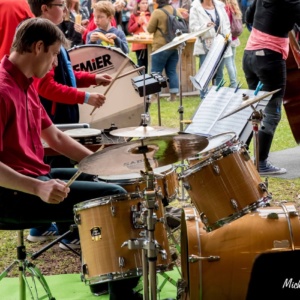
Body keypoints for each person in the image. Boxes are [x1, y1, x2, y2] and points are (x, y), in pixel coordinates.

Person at [0, 16, 142, 300]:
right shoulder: (3, 90)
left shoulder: (26, 83)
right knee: (113, 196)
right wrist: (38, 188)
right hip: (11, 194)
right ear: (38, 47)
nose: (54, 64)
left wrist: (102, 163)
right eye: (53, 55)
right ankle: (123, 294)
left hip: (33, 179)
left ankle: (104, 276)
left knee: (111, 182)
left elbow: (55, 137)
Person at [242, 0, 300, 175]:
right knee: (272, 112)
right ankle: (261, 163)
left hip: (250, 56)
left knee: (254, 110)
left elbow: (248, 17)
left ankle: (241, 156)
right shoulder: (292, 2)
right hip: (270, 59)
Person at [189, 0, 232, 98]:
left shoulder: (220, 6)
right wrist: (205, 27)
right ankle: (204, 98)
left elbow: (226, 24)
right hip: (205, 45)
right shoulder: (195, 8)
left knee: (219, 73)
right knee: (205, 75)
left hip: (221, 43)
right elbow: (193, 28)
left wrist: (227, 38)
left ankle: (217, 97)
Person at [147, 0, 182, 102]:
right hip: (174, 46)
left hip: (160, 47)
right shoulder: (175, 11)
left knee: (156, 72)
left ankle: (155, 96)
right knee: (171, 71)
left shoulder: (157, 12)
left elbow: (150, 29)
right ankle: (173, 96)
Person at [219, 0, 242, 88]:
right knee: (232, 62)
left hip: (227, 37)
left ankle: (233, 83)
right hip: (234, 38)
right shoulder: (234, 5)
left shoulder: (225, 7)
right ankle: (234, 81)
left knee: (228, 63)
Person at [128, 0, 151, 72]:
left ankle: (146, 80)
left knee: (148, 64)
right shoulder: (134, 15)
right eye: (143, 3)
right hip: (139, 44)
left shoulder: (150, 15)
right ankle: (141, 80)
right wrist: (138, 23)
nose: (145, 5)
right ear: (138, 5)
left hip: (149, 43)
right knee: (141, 64)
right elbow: (130, 29)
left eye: (146, 3)